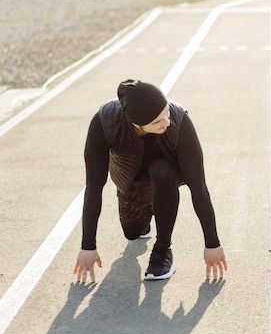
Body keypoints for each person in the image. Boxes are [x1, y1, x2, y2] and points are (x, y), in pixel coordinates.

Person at [74, 79, 227, 283]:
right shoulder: (105, 123)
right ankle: (146, 212)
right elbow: (93, 187)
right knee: (132, 232)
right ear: (135, 123)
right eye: (157, 121)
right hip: (130, 177)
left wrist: (212, 244)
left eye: (165, 112)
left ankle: (163, 249)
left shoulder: (179, 120)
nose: (166, 121)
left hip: (168, 172)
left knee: (162, 171)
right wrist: (88, 247)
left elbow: (198, 186)